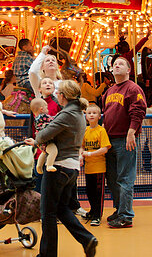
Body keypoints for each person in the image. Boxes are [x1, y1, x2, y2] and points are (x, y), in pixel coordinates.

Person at [25, 80, 98, 257]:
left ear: (63, 96)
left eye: (59, 93)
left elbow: (43, 134)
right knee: (61, 208)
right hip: (72, 168)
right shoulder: (78, 113)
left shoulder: (66, 114)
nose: (57, 95)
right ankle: (86, 239)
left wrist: (37, 138)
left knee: (48, 213)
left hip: (58, 167)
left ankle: (47, 254)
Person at [102, 56, 146, 228]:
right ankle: (119, 209)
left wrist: (131, 132)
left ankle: (126, 215)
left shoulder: (133, 89)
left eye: (121, 64)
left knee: (125, 177)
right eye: (115, 64)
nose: (117, 66)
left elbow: (138, 110)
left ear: (129, 70)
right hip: (110, 140)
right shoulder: (110, 91)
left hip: (125, 139)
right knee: (113, 178)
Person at [81, 103, 110, 226]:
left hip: (99, 168)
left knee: (98, 193)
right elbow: (81, 146)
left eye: (94, 113)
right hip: (88, 168)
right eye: (89, 113)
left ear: (99, 116)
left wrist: (90, 154)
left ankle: (97, 215)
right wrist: (81, 155)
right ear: (86, 116)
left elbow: (105, 148)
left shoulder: (101, 130)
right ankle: (92, 211)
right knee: (89, 191)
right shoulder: (85, 130)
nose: (91, 115)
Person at [29, 98, 57, 174]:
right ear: (41, 109)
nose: (47, 110)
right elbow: (53, 120)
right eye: (46, 108)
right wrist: (58, 116)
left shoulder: (36, 118)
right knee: (53, 151)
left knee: (44, 152)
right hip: (46, 140)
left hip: (39, 141)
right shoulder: (43, 117)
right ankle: (49, 165)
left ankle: (39, 166)